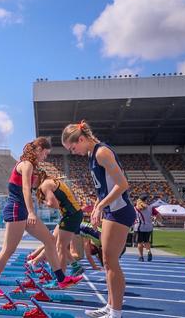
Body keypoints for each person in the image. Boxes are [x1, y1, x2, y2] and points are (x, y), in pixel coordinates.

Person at [0, 137, 83, 298]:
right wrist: (31, 212)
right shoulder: (26, 164)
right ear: (38, 150)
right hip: (17, 210)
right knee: (8, 250)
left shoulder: (30, 165)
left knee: (50, 241)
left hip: (22, 210)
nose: (45, 157)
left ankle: (61, 279)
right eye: (45, 153)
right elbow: (25, 189)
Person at [62, 120, 135, 318]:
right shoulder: (92, 155)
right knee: (107, 261)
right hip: (112, 211)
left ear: (82, 138)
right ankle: (110, 307)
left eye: (73, 147)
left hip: (120, 211)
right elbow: (104, 188)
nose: (73, 152)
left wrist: (101, 206)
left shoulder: (102, 152)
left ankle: (116, 312)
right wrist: (97, 205)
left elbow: (122, 184)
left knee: (110, 261)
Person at [35, 172, 85, 276]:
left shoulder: (45, 185)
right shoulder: (50, 181)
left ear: (36, 177)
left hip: (71, 214)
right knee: (54, 241)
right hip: (71, 213)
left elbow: (55, 204)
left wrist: (46, 202)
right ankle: (75, 266)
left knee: (60, 247)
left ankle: (60, 278)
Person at [134, 195, 161, 262]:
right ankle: (149, 251)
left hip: (139, 227)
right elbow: (158, 215)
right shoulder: (150, 208)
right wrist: (155, 220)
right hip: (148, 227)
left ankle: (141, 256)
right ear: (146, 200)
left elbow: (132, 217)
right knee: (146, 241)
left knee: (139, 242)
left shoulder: (136, 208)